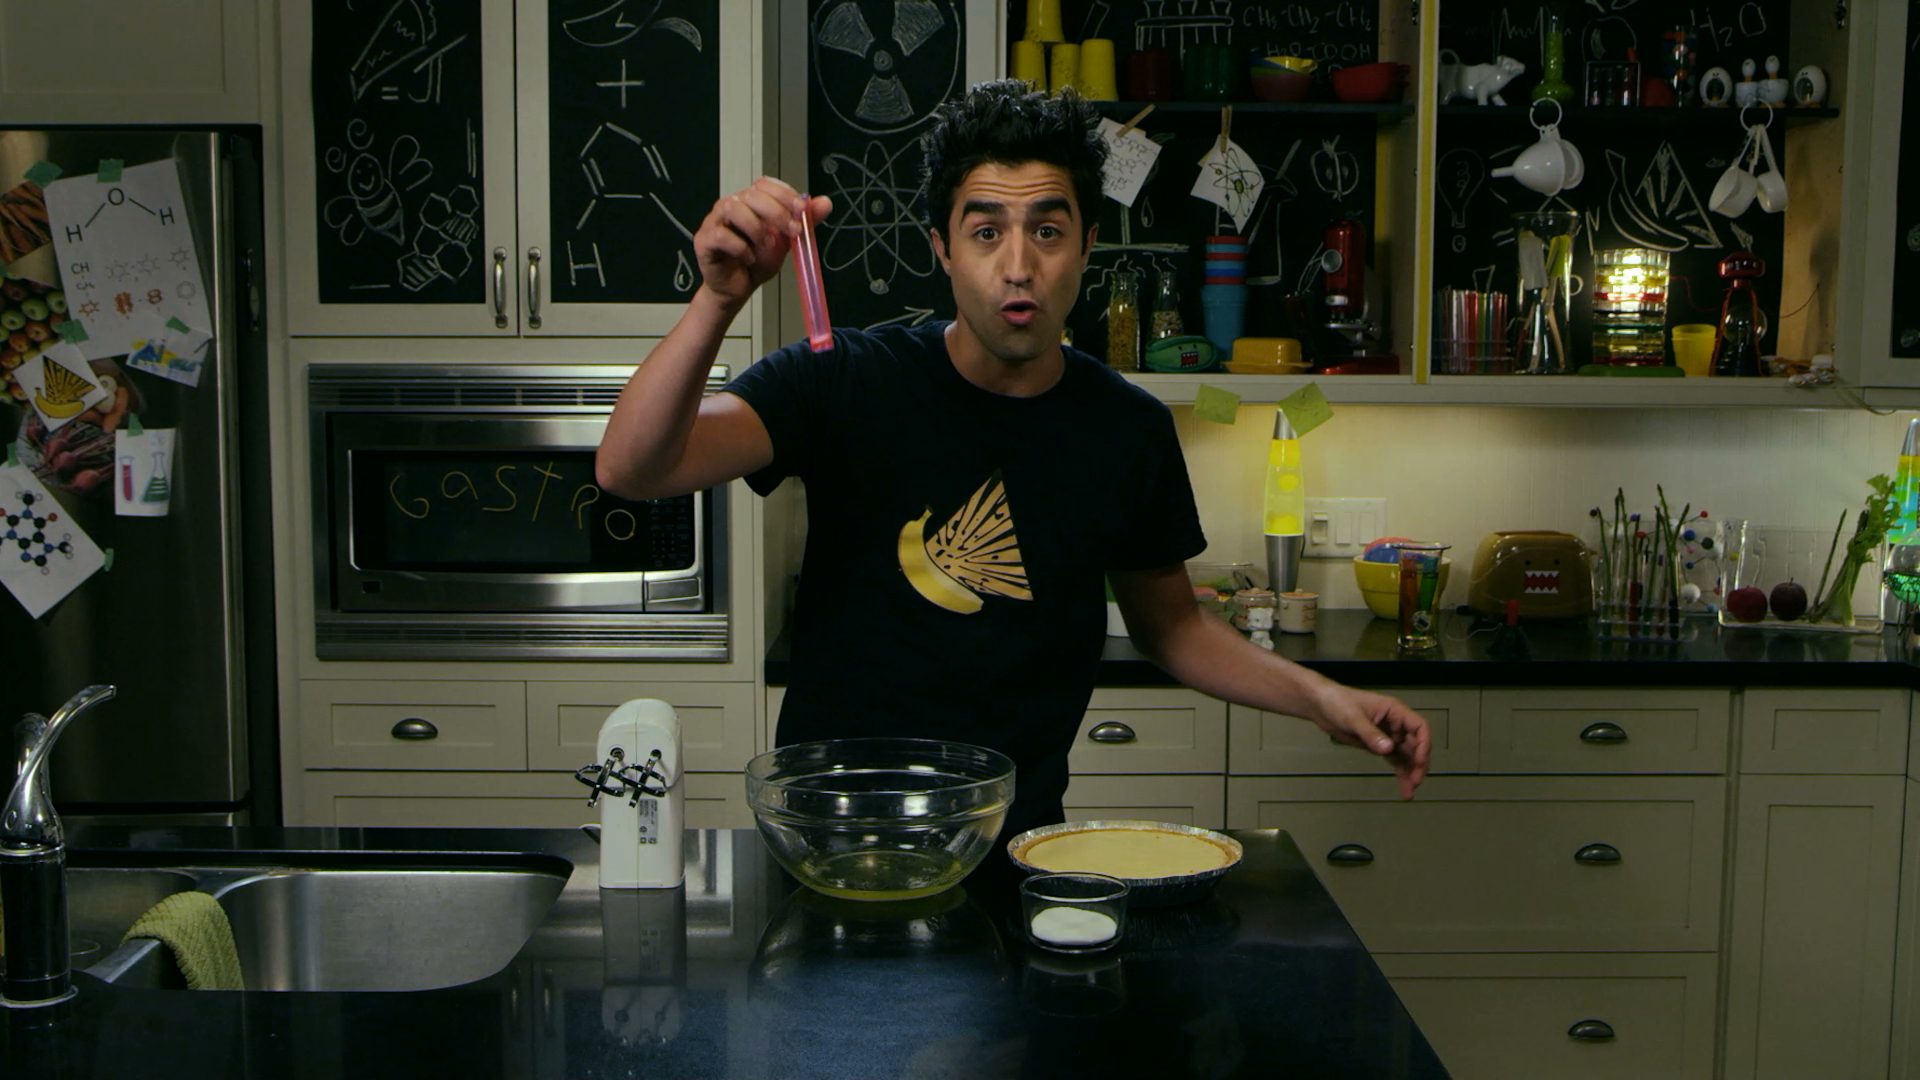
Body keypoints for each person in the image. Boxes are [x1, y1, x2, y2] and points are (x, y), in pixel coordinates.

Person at [598, 79, 1431, 839]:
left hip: (1012, 843)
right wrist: (718, 299)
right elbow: (633, 469)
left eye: (1048, 231)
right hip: (835, 842)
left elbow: (1173, 627)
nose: (1019, 265)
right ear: (943, 248)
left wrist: (1322, 698)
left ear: (1088, 245)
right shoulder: (842, 378)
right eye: (987, 231)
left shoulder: (1127, 429)